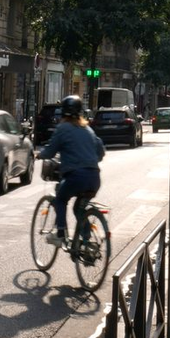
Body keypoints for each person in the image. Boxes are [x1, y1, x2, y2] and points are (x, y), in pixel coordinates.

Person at [36, 94, 105, 244]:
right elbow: (100, 152)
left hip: (76, 177)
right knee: (78, 208)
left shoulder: (63, 128)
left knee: (60, 200)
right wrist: (90, 160)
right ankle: (86, 242)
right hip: (94, 178)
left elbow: (50, 151)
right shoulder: (88, 129)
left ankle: (60, 234)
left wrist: (39, 155)